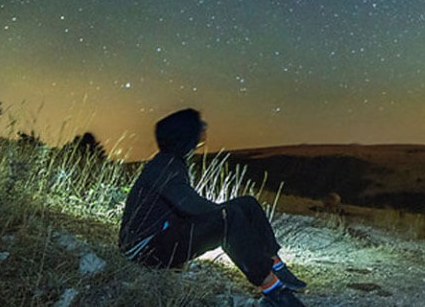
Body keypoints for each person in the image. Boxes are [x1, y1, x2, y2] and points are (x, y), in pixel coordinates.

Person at [120, 108, 307, 306]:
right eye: (199, 126)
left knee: (247, 204)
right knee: (230, 217)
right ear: (186, 134)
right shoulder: (165, 166)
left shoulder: (171, 161)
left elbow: (188, 207)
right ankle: (274, 290)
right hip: (145, 251)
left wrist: (232, 215)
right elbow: (190, 205)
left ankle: (276, 265)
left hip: (160, 238)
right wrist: (229, 219)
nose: (204, 129)